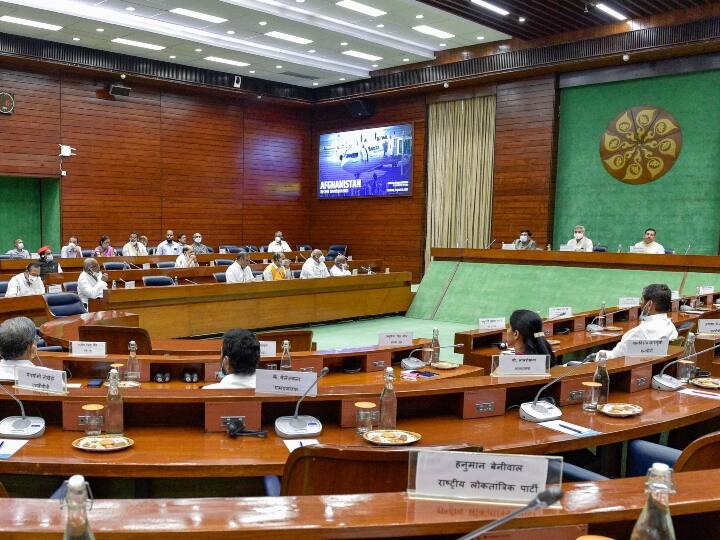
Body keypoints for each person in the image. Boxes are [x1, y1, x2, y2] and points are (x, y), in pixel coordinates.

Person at [598, 284, 678, 360]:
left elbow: (614, 357)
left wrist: (598, 355)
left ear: (649, 305)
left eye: (642, 300)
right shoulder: (671, 328)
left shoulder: (638, 332)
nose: (640, 304)